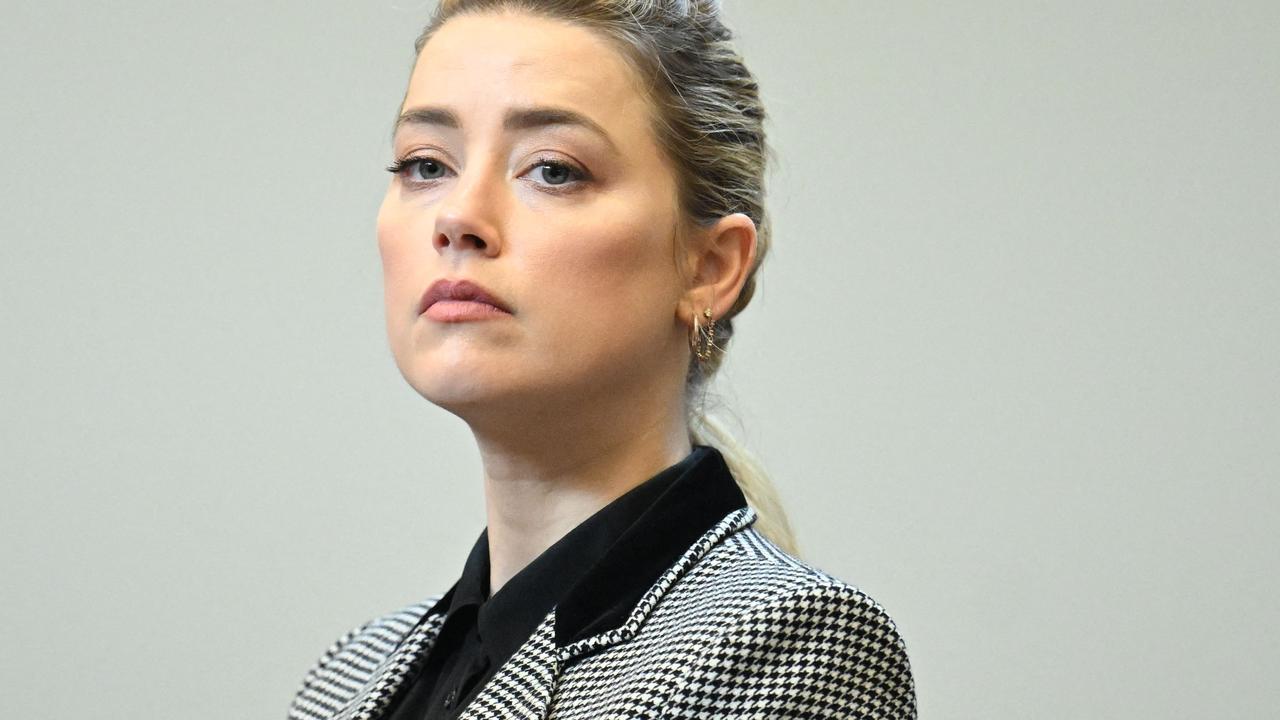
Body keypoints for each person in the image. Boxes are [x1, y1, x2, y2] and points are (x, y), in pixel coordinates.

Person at [287, 1, 916, 718]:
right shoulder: (346, 678)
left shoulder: (789, 642)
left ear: (709, 268)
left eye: (553, 170)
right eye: (425, 164)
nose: (458, 217)